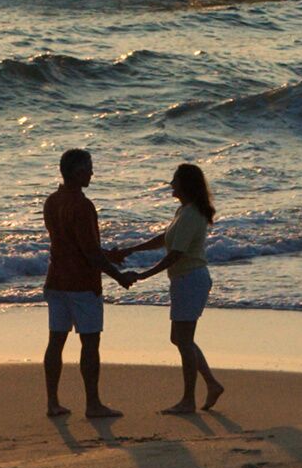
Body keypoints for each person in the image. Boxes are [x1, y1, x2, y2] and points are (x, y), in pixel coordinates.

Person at [110, 161, 225, 414]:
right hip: (185, 279)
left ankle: (189, 400)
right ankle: (211, 384)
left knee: (183, 340)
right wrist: (132, 249)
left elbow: (175, 255)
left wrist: (144, 275)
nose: (171, 183)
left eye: (175, 179)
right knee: (181, 338)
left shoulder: (191, 214)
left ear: (185, 184)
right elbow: (165, 239)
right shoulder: (184, 211)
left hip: (190, 279)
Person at [42, 148, 116, 420]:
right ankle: (93, 404)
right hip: (82, 283)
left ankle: (53, 402)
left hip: (56, 279)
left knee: (56, 341)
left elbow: (71, 244)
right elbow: (90, 253)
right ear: (76, 172)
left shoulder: (52, 201)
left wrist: (107, 256)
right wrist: (120, 276)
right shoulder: (83, 206)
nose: (92, 173)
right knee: (90, 343)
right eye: (88, 168)